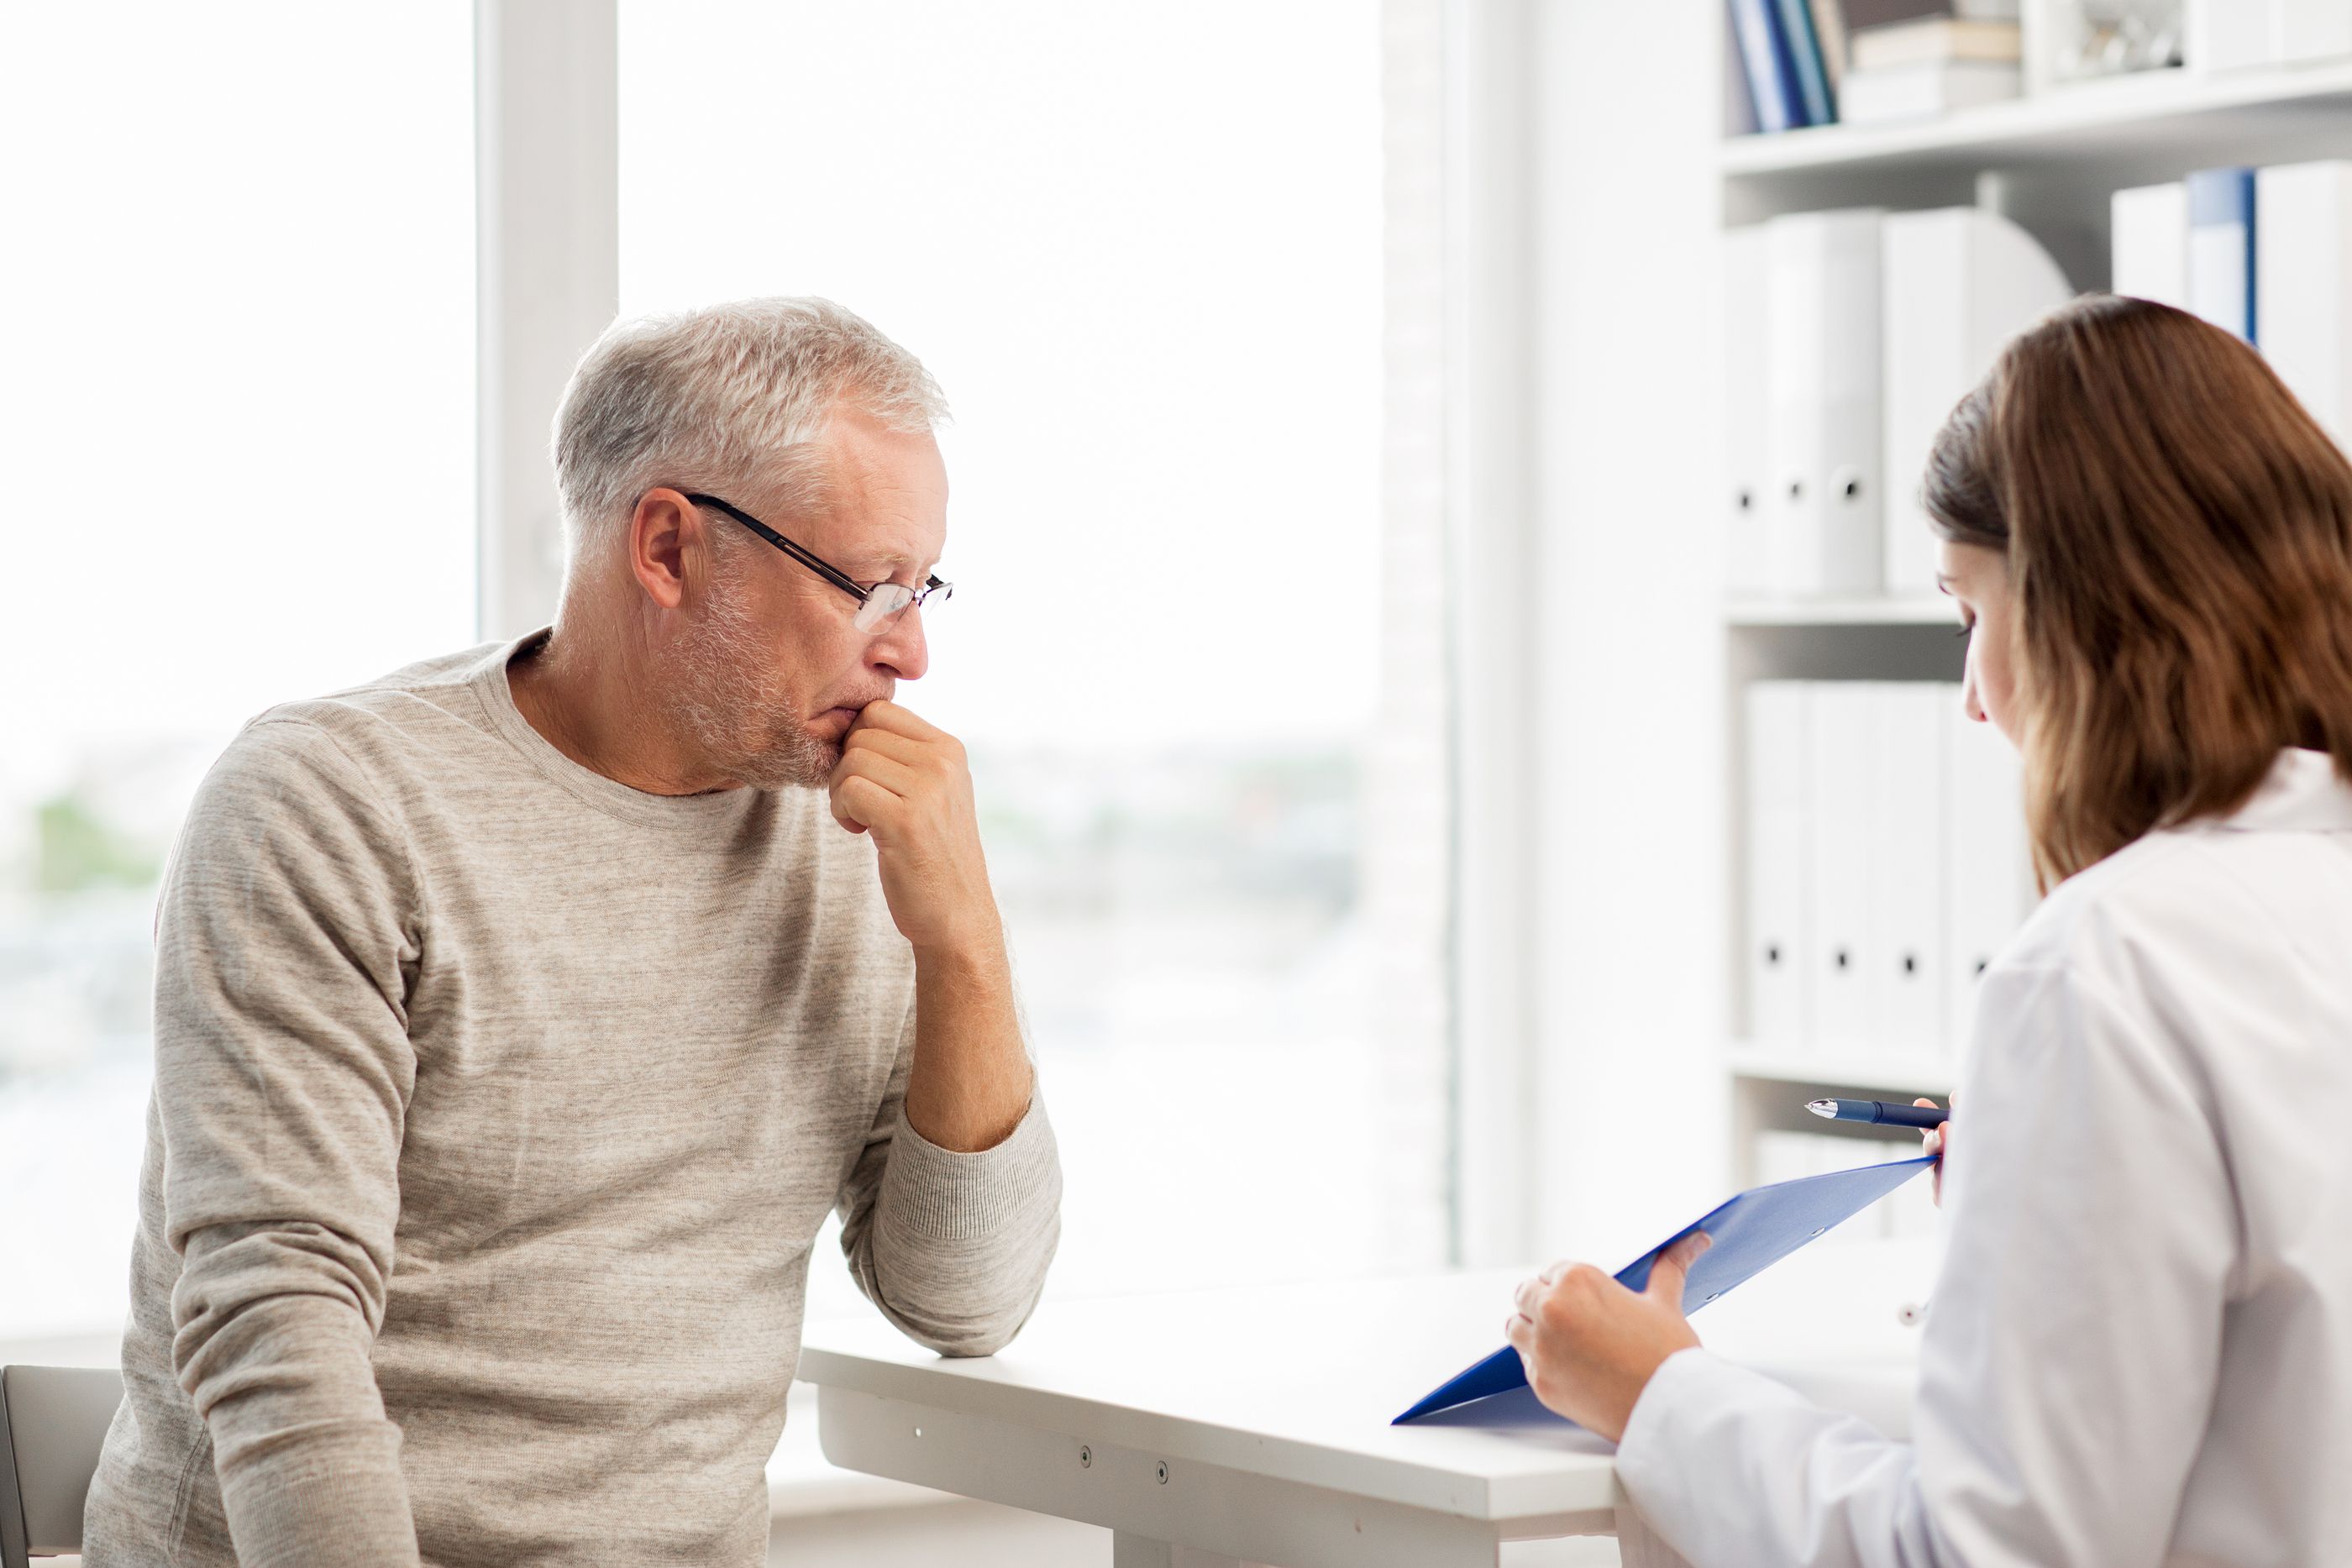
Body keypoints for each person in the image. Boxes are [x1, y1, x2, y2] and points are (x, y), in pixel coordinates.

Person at [82, 298, 1063, 1568]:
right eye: (870, 586)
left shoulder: (857, 834)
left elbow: (964, 1301)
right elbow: (278, 1323)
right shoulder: (331, 800)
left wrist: (966, 945)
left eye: (921, 587)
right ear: (668, 547)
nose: (913, 652)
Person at [1507, 294, 2352, 1565]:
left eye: (1971, 613)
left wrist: (1659, 1393)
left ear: (2088, 609)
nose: (1971, 697)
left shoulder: (2105, 965)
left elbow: (1986, 1555)